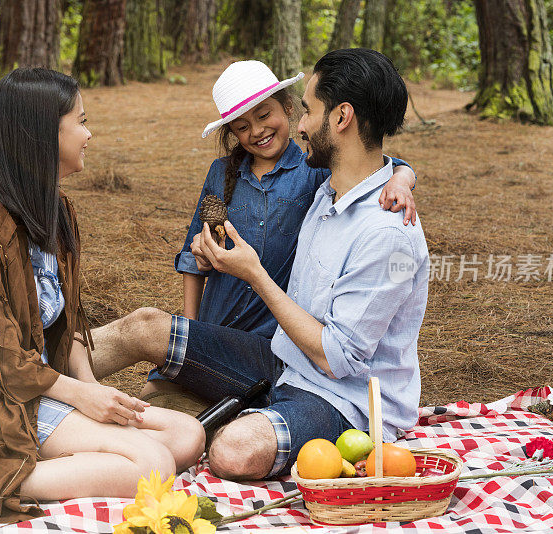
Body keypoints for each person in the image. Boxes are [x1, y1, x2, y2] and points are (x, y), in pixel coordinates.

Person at [0, 68, 205, 525]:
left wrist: (92, 390)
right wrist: (81, 400)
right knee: (153, 464)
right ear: (44, 134)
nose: (89, 134)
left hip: (44, 386)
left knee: (188, 436)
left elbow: (64, 328)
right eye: (81, 121)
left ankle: (33, 466)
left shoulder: (56, 210)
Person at [86, 48, 429, 481]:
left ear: (341, 118)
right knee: (144, 326)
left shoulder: (386, 235)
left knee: (235, 450)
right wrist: (402, 172)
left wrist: (253, 274)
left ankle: (214, 419)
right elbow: (378, 164)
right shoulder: (328, 192)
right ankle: (25, 376)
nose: (301, 125)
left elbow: (336, 360)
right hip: (280, 357)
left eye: (307, 111)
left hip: (340, 396)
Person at [138, 60, 418, 402]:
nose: (256, 131)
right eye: (242, 127)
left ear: (287, 108)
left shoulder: (313, 172)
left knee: (189, 412)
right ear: (233, 134)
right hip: (214, 325)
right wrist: (192, 327)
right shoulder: (221, 173)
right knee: (150, 397)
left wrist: (403, 177)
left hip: (267, 339)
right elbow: (190, 259)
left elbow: (377, 161)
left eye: (263, 115)